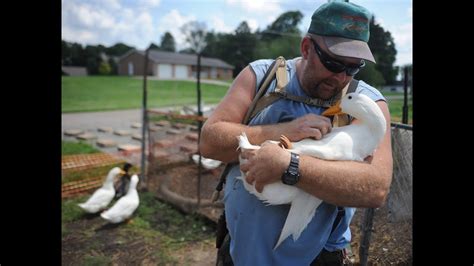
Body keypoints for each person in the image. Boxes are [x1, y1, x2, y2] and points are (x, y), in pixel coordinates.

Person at [200, 1, 393, 265]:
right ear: (306, 48)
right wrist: (283, 131)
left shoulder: (366, 102)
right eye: (334, 63)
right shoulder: (262, 77)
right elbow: (209, 142)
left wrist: (289, 166)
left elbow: (376, 188)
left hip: (320, 258)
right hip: (240, 253)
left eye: (353, 67)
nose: (341, 78)